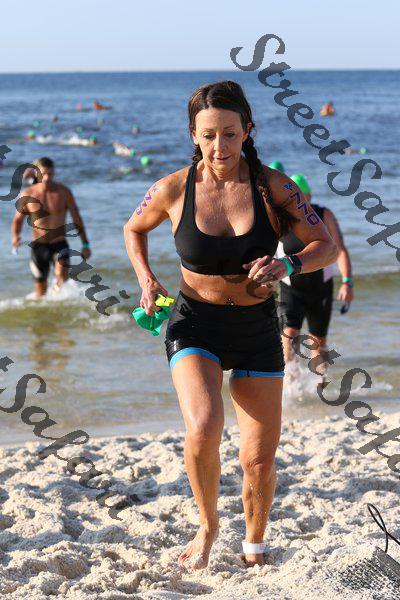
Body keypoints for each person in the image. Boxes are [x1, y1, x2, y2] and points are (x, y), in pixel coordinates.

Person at [123, 81, 337, 570]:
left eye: (230, 133)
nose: (219, 146)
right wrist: (146, 278)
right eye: (208, 135)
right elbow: (133, 228)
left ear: (247, 131)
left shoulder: (274, 187)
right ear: (193, 135)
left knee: (258, 459)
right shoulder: (173, 188)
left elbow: (324, 244)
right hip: (194, 323)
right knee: (204, 425)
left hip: (258, 328)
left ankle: (255, 544)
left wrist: (289, 264)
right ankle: (207, 525)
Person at [277, 173, 354, 376]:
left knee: (318, 343)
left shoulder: (323, 215)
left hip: (320, 288)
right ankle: (290, 385)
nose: (299, 203)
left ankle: (320, 384)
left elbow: (340, 250)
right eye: (294, 198)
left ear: (309, 197)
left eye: (303, 197)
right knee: (289, 337)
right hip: (291, 289)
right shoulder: (279, 218)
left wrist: (347, 282)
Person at [11, 157, 91, 297]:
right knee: (40, 292)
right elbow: (18, 220)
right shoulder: (27, 194)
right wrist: (15, 236)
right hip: (38, 247)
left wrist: (85, 244)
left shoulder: (64, 192)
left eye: (50, 174)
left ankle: (60, 303)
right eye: (44, 174)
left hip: (59, 244)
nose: (47, 178)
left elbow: (77, 218)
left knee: (61, 277)